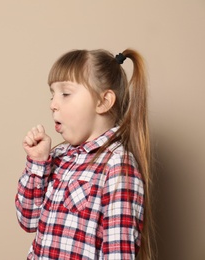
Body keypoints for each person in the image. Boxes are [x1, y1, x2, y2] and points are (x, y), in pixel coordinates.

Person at [15, 49, 154, 260]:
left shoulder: (118, 166)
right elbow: (28, 220)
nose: (53, 104)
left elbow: (119, 253)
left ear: (103, 101)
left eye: (65, 94)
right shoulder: (59, 156)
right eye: (52, 95)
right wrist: (38, 163)